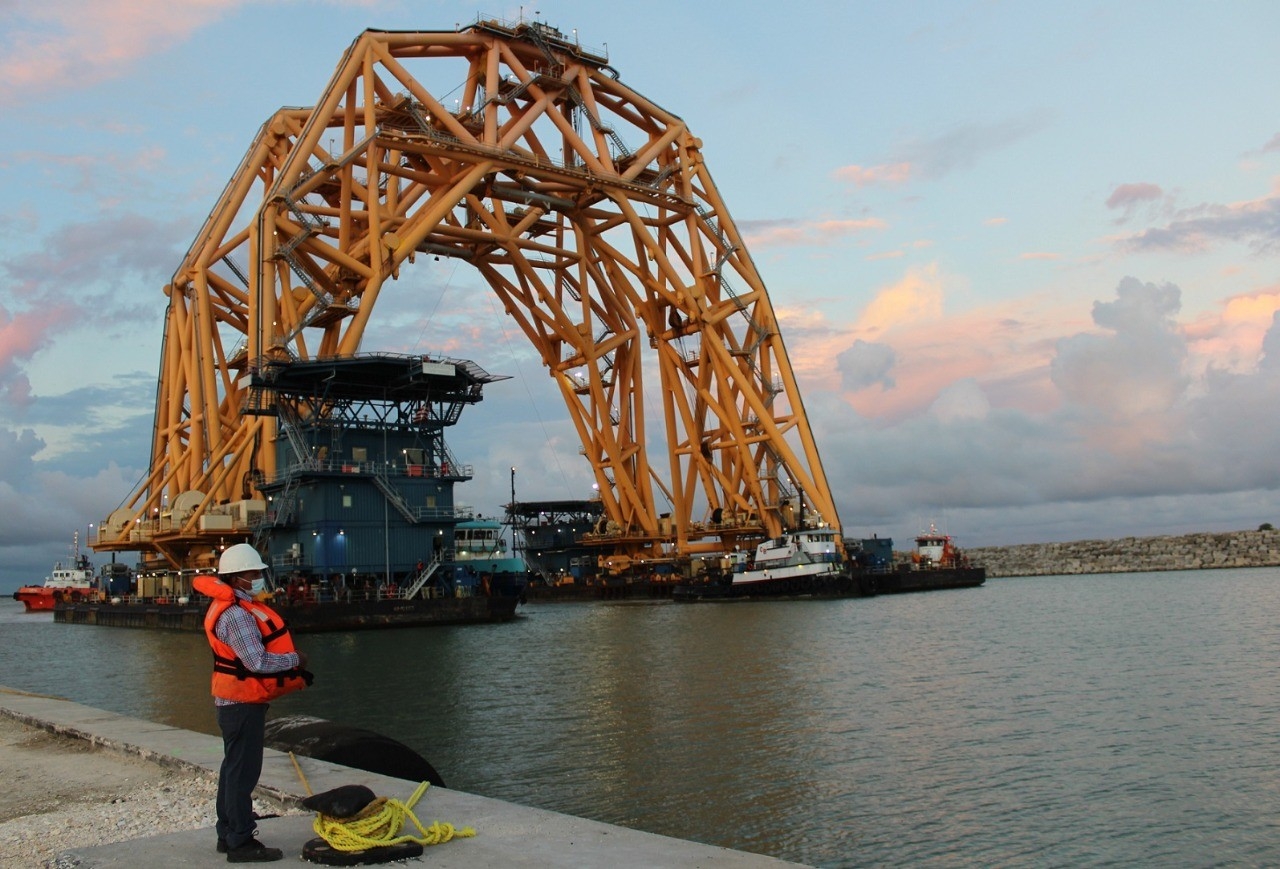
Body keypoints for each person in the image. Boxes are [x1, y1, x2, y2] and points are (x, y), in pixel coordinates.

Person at [193, 544, 313, 863]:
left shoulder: (230, 608)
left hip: (232, 701)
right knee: (243, 773)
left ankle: (227, 832)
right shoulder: (236, 615)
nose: (259, 578)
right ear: (239, 577)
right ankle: (241, 842)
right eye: (254, 573)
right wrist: (294, 661)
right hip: (241, 703)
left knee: (233, 769)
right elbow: (256, 661)